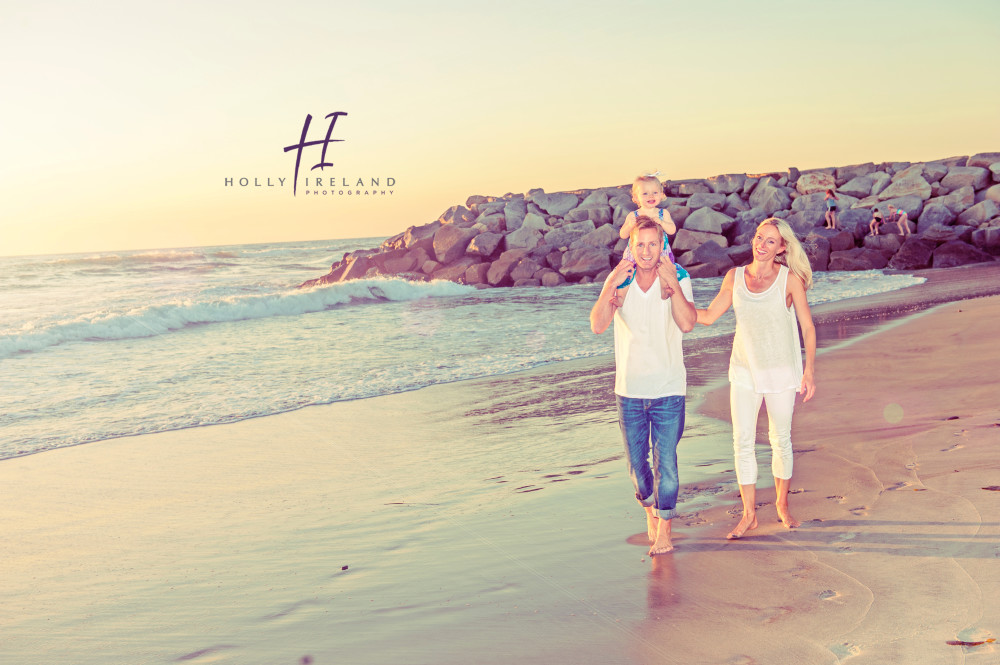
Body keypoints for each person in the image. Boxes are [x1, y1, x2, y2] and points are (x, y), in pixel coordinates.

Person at [694, 218, 816, 539]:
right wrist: (674, 302)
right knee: (742, 443)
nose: (761, 245)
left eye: (770, 241)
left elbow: (807, 327)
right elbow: (706, 317)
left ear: (782, 248)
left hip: (781, 373)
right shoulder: (734, 278)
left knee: (781, 440)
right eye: (759, 238)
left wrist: (810, 370)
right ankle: (749, 515)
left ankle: (782, 506)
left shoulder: (789, 280)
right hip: (744, 371)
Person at [590, 218, 697, 556]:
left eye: (653, 244)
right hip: (630, 391)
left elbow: (688, 323)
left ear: (662, 246)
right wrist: (609, 284)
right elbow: (597, 326)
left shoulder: (677, 278)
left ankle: (665, 529)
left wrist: (673, 285)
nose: (647, 250)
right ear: (631, 248)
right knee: (638, 471)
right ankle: (649, 509)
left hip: (668, 388)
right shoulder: (621, 283)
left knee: (666, 464)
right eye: (641, 244)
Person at [616, 173, 689, 299]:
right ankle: (621, 298)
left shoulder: (663, 213)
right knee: (627, 272)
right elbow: (623, 234)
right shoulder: (633, 215)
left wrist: (662, 222)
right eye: (645, 193)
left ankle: (664, 290)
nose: (651, 196)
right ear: (635, 198)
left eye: (655, 192)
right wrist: (629, 226)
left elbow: (672, 230)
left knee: (663, 270)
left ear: (662, 194)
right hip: (637, 251)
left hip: (660, 250)